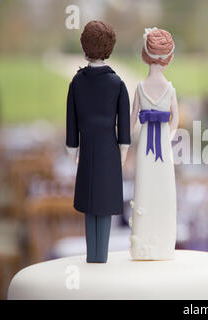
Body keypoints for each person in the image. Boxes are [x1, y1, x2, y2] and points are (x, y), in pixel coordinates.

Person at [66, 21, 131, 263]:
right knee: (102, 201)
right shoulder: (116, 83)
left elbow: (71, 117)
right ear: (109, 48)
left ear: (85, 47)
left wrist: (72, 146)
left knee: (90, 201)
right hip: (108, 148)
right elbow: (123, 120)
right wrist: (123, 147)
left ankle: (93, 254)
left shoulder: (77, 82)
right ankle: (100, 255)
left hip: (86, 146)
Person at [129, 27, 179, 260]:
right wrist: (166, 140)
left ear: (145, 55)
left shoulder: (140, 88)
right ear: (168, 58)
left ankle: (153, 243)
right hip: (162, 147)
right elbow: (175, 122)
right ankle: (154, 244)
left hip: (148, 146)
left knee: (151, 188)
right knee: (156, 189)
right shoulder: (170, 89)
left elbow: (131, 123)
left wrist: (123, 146)